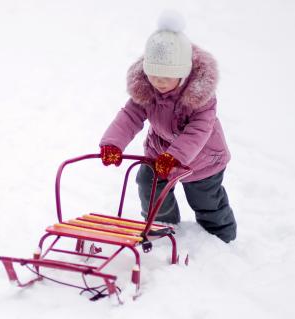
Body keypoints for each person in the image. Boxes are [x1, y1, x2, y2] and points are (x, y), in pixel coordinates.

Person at [99, 13, 236, 243]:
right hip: (159, 152)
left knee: (205, 200)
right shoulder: (147, 91)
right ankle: (164, 225)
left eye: (166, 77)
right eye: (153, 74)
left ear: (183, 73)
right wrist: (113, 143)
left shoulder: (201, 98)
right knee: (148, 185)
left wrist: (175, 157)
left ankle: (221, 239)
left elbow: (199, 131)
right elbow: (130, 115)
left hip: (203, 161)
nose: (159, 82)